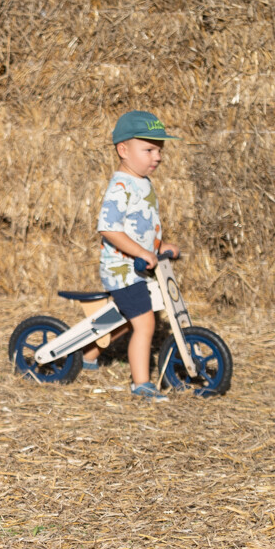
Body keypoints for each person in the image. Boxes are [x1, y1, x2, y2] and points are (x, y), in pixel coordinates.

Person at [81, 111, 180, 402]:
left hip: (136, 265)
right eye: (149, 149)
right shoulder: (121, 186)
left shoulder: (142, 183)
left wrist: (158, 249)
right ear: (123, 150)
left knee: (123, 321)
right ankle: (141, 384)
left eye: (160, 150)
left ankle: (88, 354)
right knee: (145, 323)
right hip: (122, 269)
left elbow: (141, 230)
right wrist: (142, 252)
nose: (157, 156)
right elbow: (109, 229)